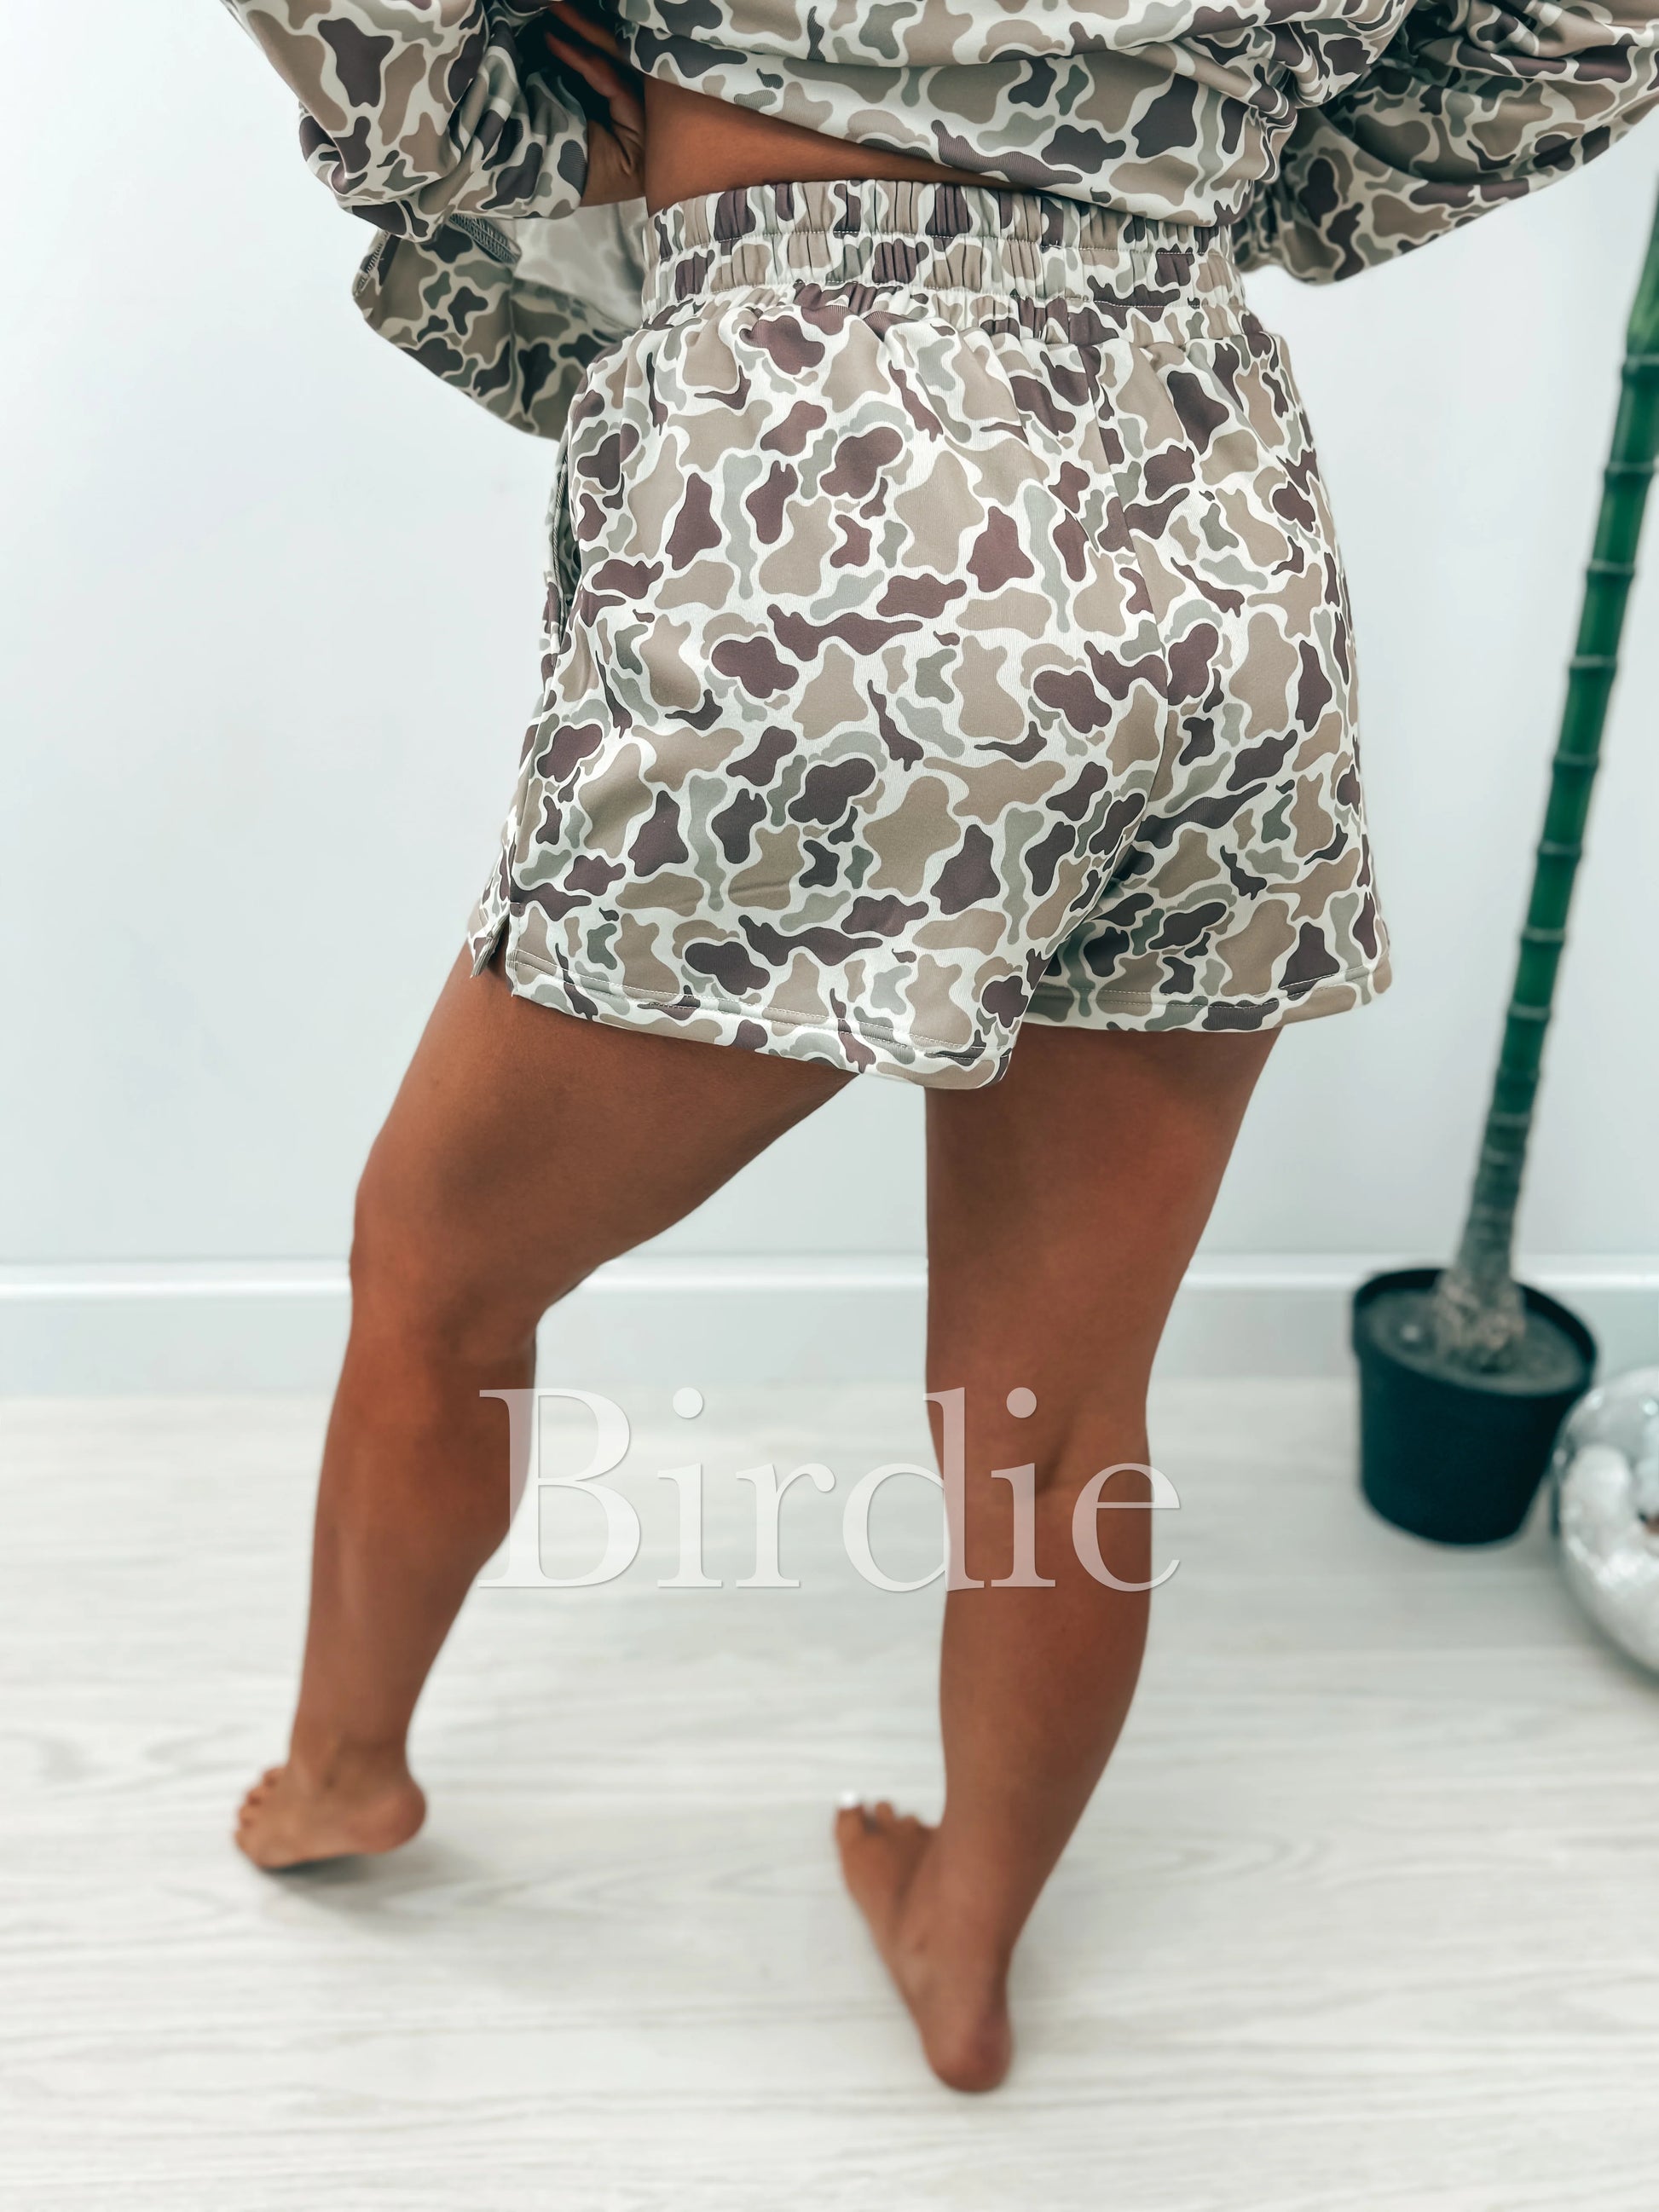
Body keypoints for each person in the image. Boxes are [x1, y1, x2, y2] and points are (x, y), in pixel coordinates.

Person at [221, 0, 1658, 2091]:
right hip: (1207, 536)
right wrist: (1241, 172)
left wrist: (535, 138)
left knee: (438, 1275)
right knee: (1052, 1420)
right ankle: (963, 1942)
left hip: (821, 500)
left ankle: (345, 1770)